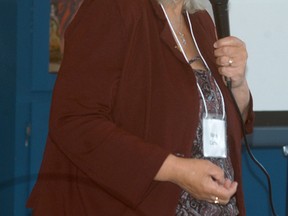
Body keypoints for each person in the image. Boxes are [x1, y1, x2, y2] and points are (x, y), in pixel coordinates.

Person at [27, 0, 254, 215]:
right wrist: (177, 170)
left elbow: (222, 119)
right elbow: (74, 119)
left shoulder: (200, 21)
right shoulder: (113, 9)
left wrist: (238, 84)